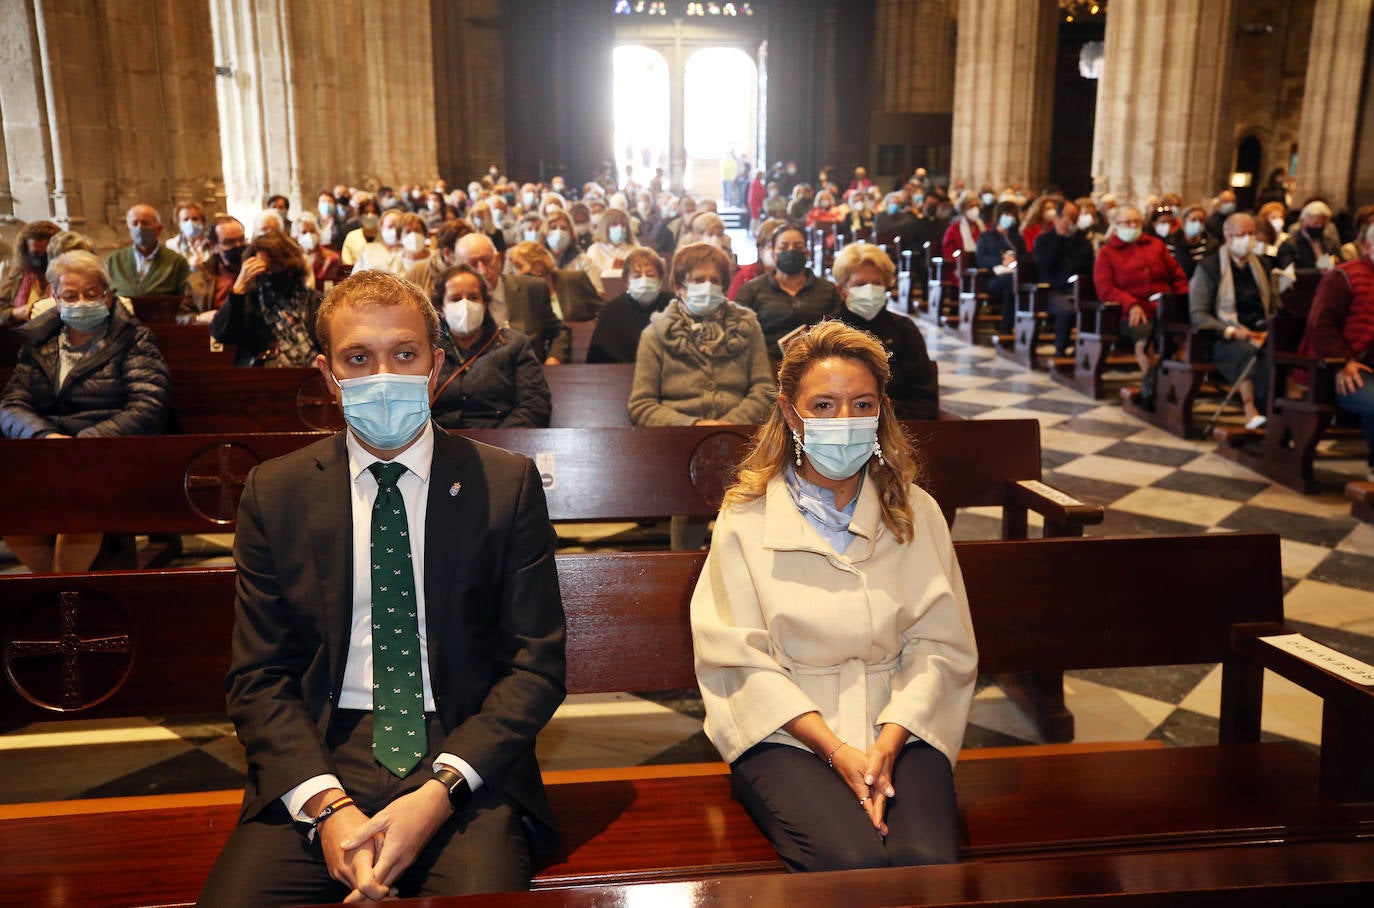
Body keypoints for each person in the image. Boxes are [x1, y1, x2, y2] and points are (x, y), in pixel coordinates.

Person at [197, 271, 565, 906]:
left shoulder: (504, 484)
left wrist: (437, 795)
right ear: (326, 373)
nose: (384, 376)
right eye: (358, 359)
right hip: (322, 749)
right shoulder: (277, 492)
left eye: (404, 354)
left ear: (435, 364)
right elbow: (258, 676)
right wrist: (326, 806)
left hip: (460, 752)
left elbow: (535, 666)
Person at [690, 320, 977, 873]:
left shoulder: (917, 512)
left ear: (881, 412)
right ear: (789, 412)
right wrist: (838, 750)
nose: (844, 422)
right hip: (788, 730)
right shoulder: (745, 519)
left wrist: (889, 741)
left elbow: (940, 646)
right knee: (850, 862)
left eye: (861, 403)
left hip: (902, 721)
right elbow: (738, 656)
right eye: (823, 405)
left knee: (926, 861)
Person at [628, 242, 772, 427]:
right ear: (679, 287)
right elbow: (641, 406)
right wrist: (692, 425)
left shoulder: (747, 326)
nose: (707, 287)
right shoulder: (655, 333)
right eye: (698, 280)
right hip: (676, 437)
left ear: (724, 287)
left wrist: (728, 425)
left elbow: (764, 391)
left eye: (715, 281)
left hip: (739, 434)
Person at [429, 264, 550, 429]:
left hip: (499, 442)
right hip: (439, 444)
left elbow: (535, 404)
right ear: (441, 308)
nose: (465, 305)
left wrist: (499, 443)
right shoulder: (428, 349)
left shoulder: (515, 344)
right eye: (456, 299)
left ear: (485, 305)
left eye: (473, 297)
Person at [1300, 221, 1374, 482]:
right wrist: (1342, 362)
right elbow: (1319, 324)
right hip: (1336, 369)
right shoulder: (1343, 276)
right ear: (1368, 246)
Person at [832, 243, 938, 419]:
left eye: (876, 283)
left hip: (899, 425)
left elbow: (925, 399)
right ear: (842, 290)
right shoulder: (828, 331)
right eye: (860, 284)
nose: (869, 290)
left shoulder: (904, 330)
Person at [1189, 213, 1273, 430]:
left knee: (1279, 352)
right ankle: (1250, 410)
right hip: (1221, 336)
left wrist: (1269, 329)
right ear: (1228, 236)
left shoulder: (1261, 265)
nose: (1248, 239)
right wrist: (1231, 331)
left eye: (1251, 234)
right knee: (1246, 352)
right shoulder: (1210, 267)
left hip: (1259, 331)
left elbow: (1275, 306)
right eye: (1242, 234)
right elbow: (1199, 313)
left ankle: (1277, 412)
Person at [1094, 206, 1189, 374]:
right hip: (1131, 311)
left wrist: (1182, 300)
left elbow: (1177, 275)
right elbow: (1105, 288)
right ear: (1115, 226)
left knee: (1185, 332)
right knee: (1144, 336)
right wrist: (1131, 304)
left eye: (1136, 222)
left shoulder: (1156, 245)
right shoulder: (1107, 253)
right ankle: (1150, 382)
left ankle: (1178, 378)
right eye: (1127, 222)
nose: (1132, 226)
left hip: (1164, 306)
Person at [453, 233, 571, 364]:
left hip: (529, 372)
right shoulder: (454, 301)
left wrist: (553, 359)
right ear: (459, 268)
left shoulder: (532, 289)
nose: (482, 270)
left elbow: (559, 331)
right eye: (472, 264)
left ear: (498, 259)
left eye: (486, 260)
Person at [210, 229, 322, 367]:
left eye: (275, 266)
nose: (270, 273)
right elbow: (222, 335)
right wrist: (239, 288)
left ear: (290, 265)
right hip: (259, 376)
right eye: (264, 268)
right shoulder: (250, 299)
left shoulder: (314, 300)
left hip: (310, 374)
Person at [736, 225, 842, 361]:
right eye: (783, 247)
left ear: (807, 253)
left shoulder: (828, 290)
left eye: (798, 247)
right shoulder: (751, 290)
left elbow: (836, 331)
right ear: (773, 254)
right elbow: (740, 333)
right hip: (764, 364)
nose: (791, 251)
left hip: (816, 362)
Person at [587, 247, 673, 364]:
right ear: (626, 281)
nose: (644, 281)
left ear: (660, 280)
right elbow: (598, 357)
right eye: (637, 276)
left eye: (650, 275)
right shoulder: (611, 311)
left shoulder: (673, 305)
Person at [1034, 200, 1097, 358]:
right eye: (1069, 217)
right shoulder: (1044, 240)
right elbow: (1045, 266)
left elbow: (1089, 266)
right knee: (1066, 310)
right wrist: (1060, 238)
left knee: (1096, 307)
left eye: (1075, 218)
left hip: (1077, 289)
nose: (1072, 222)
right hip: (1051, 291)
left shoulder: (1082, 242)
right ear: (1058, 218)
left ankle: (1084, 352)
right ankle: (1060, 352)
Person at [106, 204, 192, 298]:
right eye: (135, 223)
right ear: (128, 229)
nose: (139, 228)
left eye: (145, 223)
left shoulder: (176, 262)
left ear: (159, 229)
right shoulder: (114, 261)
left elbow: (185, 301)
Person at [507, 241, 602, 323]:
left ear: (538, 264)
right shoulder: (521, 293)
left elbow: (602, 313)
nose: (518, 274)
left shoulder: (575, 279)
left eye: (520, 267)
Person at [975, 200, 1032, 336]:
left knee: (1011, 288)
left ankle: (1011, 329)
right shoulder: (987, 237)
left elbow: (1027, 256)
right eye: (1007, 214)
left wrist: (1015, 259)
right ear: (999, 216)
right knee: (1011, 283)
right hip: (993, 278)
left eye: (1012, 215)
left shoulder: (1016, 238)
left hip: (1014, 276)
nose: (1010, 218)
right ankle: (1008, 329)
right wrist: (1001, 260)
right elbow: (981, 259)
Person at [0, 219, 61, 325]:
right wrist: (15, 313)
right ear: (26, 252)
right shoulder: (18, 276)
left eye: (46, 253)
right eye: (36, 253)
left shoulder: (69, 277)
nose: (41, 259)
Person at [584, 208, 638, 295]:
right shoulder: (594, 250)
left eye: (623, 224)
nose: (619, 228)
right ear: (605, 226)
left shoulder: (635, 249)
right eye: (614, 224)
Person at [1276, 200, 1341, 272]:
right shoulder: (1290, 245)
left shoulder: (1329, 242)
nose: (1319, 227)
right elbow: (1289, 274)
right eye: (1315, 223)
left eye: (1322, 224)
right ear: (1302, 222)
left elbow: (1341, 262)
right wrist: (1321, 268)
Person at [294, 214, 345, 290]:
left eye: (312, 231)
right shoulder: (292, 259)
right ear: (297, 236)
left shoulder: (331, 258)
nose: (309, 235)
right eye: (304, 232)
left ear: (318, 233)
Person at [1169, 206, 1215, 279]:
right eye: (1193, 220)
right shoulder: (1172, 244)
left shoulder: (1209, 243)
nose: (1198, 224)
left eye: (1201, 220)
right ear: (1184, 222)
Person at [941, 196, 982, 266]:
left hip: (980, 266)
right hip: (957, 267)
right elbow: (949, 253)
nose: (975, 209)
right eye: (971, 206)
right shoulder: (953, 230)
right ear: (963, 209)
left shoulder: (982, 228)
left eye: (977, 206)